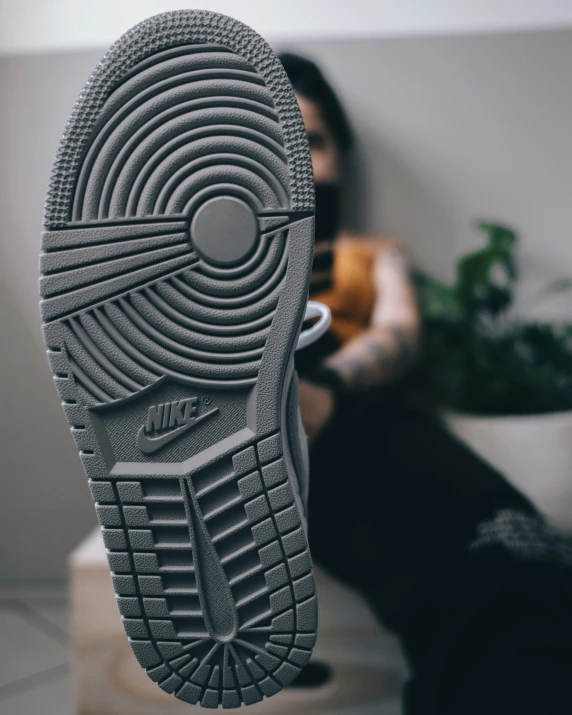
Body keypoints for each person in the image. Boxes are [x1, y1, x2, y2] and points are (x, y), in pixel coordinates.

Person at [281, 52, 572, 714]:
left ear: (342, 157)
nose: (294, 161)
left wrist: (330, 385)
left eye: (312, 142)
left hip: (367, 416)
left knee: (518, 548)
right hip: (279, 439)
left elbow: (397, 335)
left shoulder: (372, 253)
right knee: (507, 592)